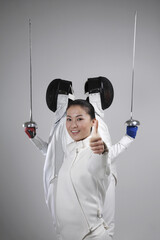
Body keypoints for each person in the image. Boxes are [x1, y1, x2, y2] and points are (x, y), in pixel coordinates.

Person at [24, 78, 138, 240]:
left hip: (97, 179)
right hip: (62, 181)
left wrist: (128, 138)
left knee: (103, 227)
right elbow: (51, 153)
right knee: (66, 228)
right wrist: (34, 138)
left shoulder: (89, 124)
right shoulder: (67, 124)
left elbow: (103, 156)